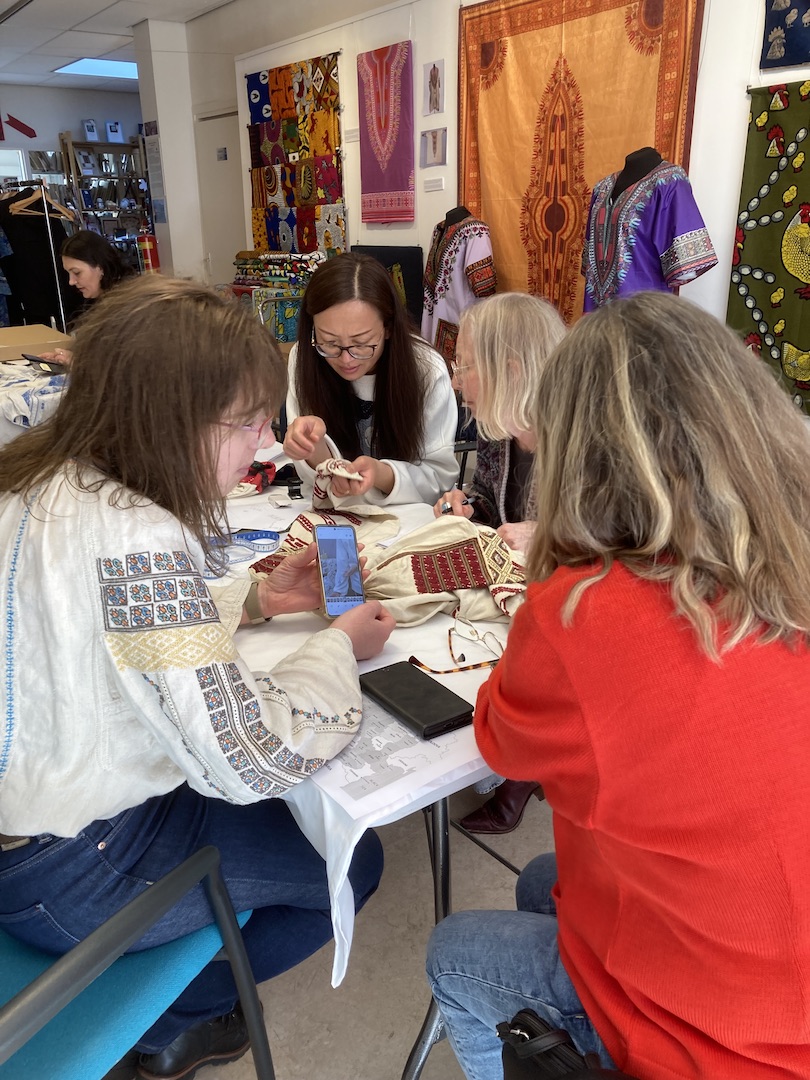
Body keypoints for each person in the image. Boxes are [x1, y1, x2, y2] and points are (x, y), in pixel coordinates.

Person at [0, 276, 396, 1080]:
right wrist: (335, 649)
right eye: (249, 423)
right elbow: (250, 757)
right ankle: (173, 1020)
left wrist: (254, 596)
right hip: (66, 866)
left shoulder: (39, 476)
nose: (262, 443)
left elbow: (106, 628)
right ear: (172, 419)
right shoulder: (137, 535)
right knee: (352, 865)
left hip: (32, 828)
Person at [426, 290, 810, 1080]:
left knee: (453, 952)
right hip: (777, 970)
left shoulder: (588, 608)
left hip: (727, 1043)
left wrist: (546, 590)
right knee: (544, 879)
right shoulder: (786, 560)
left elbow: (502, 740)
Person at [433, 292, 566, 835]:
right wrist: (466, 505)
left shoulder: (587, 444)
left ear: (510, 369)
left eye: (464, 366)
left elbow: (632, 544)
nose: (457, 381)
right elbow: (492, 508)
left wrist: (553, 535)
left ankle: (521, 769)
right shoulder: (503, 435)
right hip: (523, 593)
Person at [283, 252, 458, 505]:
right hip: (335, 514)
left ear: (388, 328)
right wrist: (311, 446)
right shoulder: (304, 357)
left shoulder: (426, 369)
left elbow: (438, 480)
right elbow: (315, 477)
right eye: (330, 343)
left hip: (407, 521)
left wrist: (380, 474)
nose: (346, 359)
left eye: (362, 343)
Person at [39, 229, 134, 365]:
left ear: (100, 267)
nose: (71, 281)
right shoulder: (99, 300)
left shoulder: (129, 305)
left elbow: (126, 363)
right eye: (69, 274)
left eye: (77, 273)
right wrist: (71, 357)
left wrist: (80, 362)